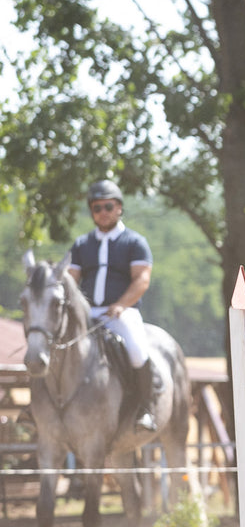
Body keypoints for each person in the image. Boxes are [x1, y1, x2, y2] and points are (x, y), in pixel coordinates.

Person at [68, 180, 160, 432]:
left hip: (121, 312)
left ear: (119, 208)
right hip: (87, 314)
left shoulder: (134, 242)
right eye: (97, 208)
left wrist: (120, 305)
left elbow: (142, 279)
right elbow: (70, 280)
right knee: (55, 344)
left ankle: (146, 408)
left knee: (137, 350)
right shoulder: (81, 245)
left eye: (108, 206)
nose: (103, 212)